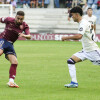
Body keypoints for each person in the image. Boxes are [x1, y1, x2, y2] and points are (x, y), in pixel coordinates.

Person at [62, 6, 100, 88]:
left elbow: (79, 36)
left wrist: (66, 37)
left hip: (93, 51)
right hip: (85, 51)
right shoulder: (84, 22)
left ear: (77, 14)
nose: (71, 17)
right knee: (70, 61)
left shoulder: (83, 23)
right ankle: (74, 82)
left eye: (72, 15)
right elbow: (91, 27)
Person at [0, 11, 31, 88]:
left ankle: (11, 81)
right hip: (2, 39)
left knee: (15, 62)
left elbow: (29, 36)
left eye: (21, 19)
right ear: (15, 17)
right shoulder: (9, 19)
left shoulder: (24, 25)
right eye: (18, 18)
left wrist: (24, 35)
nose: (20, 20)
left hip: (10, 44)